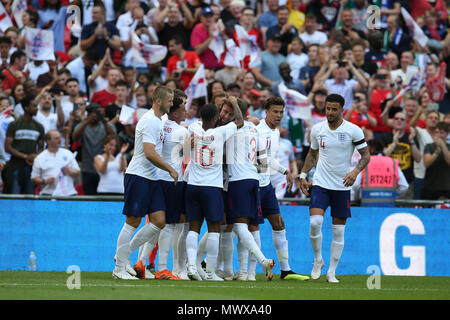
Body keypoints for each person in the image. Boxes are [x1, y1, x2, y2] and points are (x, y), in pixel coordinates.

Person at [299, 93, 370, 283]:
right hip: (320, 183)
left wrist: (355, 172)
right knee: (314, 223)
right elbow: (312, 154)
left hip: (341, 186)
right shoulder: (317, 129)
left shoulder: (353, 130)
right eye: (327, 108)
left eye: (333, 109)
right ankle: (317, 260)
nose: (329, 112)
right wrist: (302, 175)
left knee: (338, 232)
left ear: (342, 110)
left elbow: (366, 155)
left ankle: (331, 271)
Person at [112, 85, 178, 280]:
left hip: (151, 178)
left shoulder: (158, 120)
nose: (171, 104)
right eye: (169, 100)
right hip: (139, 175)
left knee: (159, 221)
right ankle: (119, 269)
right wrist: (170, 169)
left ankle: (122, 256)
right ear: (158, 101)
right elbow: (149, 153)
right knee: (132, 222)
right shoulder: (149, 121)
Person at [248, 97, 307, 281]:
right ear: (266, 111)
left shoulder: (276, 133)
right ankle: (248, 272)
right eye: (275, 111)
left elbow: (268, 159)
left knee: (279, 224)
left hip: (267, 185)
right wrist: (283, 170)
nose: (279, 116)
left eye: (281, 112)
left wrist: (285, 171)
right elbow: (259, 159)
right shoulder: (257, 131)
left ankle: (286, 270)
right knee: (246, 228)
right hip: (254, 184)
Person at [184, 100, 244, 281]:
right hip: (212, 187)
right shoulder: (220, 132)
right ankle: (210, 272)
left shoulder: (192, 129)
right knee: (214, 228)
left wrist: (190, 144)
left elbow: (185, 151)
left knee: (193, 227)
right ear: (216, 118)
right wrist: (234, 102)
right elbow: (240, 122)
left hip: (193, 185)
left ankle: (192, 268)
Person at [224, 96, 277, 281]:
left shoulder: (235, 128)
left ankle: (263, 261)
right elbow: (263, 162)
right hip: (255, 180)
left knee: (239, 226)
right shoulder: (254, 130)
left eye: (229, 112)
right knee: (252, 227)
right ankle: (248, 273)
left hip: (238, 180)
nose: (226, 116)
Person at [4, 95, 45, 194]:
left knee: (30, 196)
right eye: (34, 106)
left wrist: (35, 156)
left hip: (31, 167)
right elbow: (8, 147)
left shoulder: (39, 127)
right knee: (14, 195)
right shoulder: (14, 125)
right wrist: (25, 156)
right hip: (15, 165)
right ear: (26, 108)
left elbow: (41, 148)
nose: (37, 109)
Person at [72, 103, 116, 195]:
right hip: (87, 169)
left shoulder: (106, 125)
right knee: (89, 198)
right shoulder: (83, 126)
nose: (94, 115)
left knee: (104, 198)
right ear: (88, 113)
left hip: (105, 168)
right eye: (92, 113)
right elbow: (75, 137)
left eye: (96, 113)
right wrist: (87, 121)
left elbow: (113, 137)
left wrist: (103, 119)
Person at [352, 139, 408, 207]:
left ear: (372, 149)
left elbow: (355, 185)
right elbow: (404, 186)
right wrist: (393, 196)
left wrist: (357, 198)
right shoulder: (392, 163)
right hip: (389, 206)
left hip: (367, 206)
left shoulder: (365, 162)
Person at [30, 130, 80, 196]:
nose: (60, 140)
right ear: (48, 141)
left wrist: (69, 171)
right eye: (56, 138)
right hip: (48, 194)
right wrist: (44, 181)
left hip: (68, 194)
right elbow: (33, 178)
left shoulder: (68, 153)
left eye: (60, 137)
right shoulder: (40, 158)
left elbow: (78, 172)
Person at [380, 111, 421, 188]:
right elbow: (382, 157)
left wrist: (411, 141)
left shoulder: (411, 137)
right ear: (392, 122)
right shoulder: (384, 137)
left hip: (407, 180)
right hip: (387, 179)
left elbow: (418, 159)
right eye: (396, 118)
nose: (399, 120)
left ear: (406, 123)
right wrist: (394, 143)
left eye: (402, 119)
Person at [422, 122, 450, 199]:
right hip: (430, 187)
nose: (439, 135)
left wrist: (443, 146)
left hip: (447, 187)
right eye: (437, 132)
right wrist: (437, 152)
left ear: (447, 134)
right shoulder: (429, 146)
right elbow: (426, 163)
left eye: (441, 133)